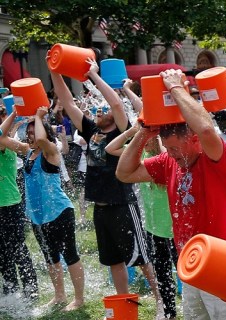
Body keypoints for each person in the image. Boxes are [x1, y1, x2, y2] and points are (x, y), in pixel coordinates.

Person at [116, 69, 226, 319]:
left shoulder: (216, 156)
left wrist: (176, 87)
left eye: (175, 148)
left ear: (194, 139)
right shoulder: (169, 161)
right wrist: (144, 133)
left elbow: (207, 130)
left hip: (225, 259)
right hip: (191, 260)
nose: (171, 154)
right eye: (168, 149)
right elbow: (124, 173)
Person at [54, 60, 153, 298]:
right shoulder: (91, 131)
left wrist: (93, 76)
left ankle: (162, 302)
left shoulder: (122, 130)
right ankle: (123, 303)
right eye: (97, 109)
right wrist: (55, 71)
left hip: (122, 203)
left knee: (141, 258)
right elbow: (68, 102)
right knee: (113, 261)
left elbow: (116, 103)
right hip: (100, 207)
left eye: (103, 108)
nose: (99, 111)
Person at [106, 126, 178, 319]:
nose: (145, 141)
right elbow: (110, 149)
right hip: (154, 228)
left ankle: (194, 307)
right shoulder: (141, 156)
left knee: (182, 270)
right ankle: (169, 312)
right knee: (162, 273)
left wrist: (157, 135)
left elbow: (164, 154)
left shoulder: (168, 158)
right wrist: (135, 132)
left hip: (173, 228)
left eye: (150, 137)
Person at [21, 107, 85, 311]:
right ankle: (59, 295)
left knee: (70, 255)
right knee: (51, 258)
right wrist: (14, 115)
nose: (31, 136)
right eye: (28, 133)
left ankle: (79, 299)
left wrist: (38, 117)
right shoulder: (28, 152)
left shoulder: (50, 150)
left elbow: (41, 139)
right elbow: (2, 139)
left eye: (33, 132)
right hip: (38, 217)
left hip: (59, 211)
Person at [0, 111, 38, 300]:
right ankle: (10, 289)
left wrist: (15, 112)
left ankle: (30, 288)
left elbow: (3, 135)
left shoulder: (4, 143)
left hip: (8, 203)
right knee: (2, 252)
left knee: (17, 248)